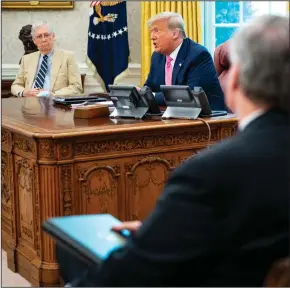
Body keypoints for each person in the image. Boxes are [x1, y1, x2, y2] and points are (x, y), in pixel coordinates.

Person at [56, 15, 289, 286]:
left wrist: (159, 234)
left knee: (70, 247)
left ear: (234, 81)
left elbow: (131, 272)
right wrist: (170, 227)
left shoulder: (208, 171)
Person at [143, 12, 225, 110]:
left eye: (156, 31)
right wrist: (139, 93)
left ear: (174, 33)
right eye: (151, 31)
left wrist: (151, 96)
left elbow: (189, 95)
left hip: (207, 119)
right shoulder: (157, 57)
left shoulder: (198, 55)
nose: (152, 36)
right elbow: (150, 86)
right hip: (173, 116)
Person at [11, 22, 82, 97]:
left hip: (55, 103)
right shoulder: (26, 59)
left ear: (53, 37)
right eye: (39, 36)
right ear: (34, 40)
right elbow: (16, 85)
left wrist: (53, 95)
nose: (44, 39)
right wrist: (23, 92)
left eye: (46, 35)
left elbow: (76, 87)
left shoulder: (68, 57)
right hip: (30, 102)